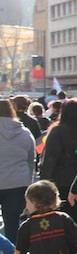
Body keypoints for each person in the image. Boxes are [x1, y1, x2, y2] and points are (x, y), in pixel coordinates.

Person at [39, 99, 77, 244]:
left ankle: (71, 245)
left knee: (65, 216)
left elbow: (50, 159)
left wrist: (44, 181)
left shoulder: (57, 131)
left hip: (62, 180)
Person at [0, 99, 36, 245]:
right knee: (12, 220)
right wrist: (28, 180)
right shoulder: (24, 132)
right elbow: (31, 159)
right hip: (17, 181)